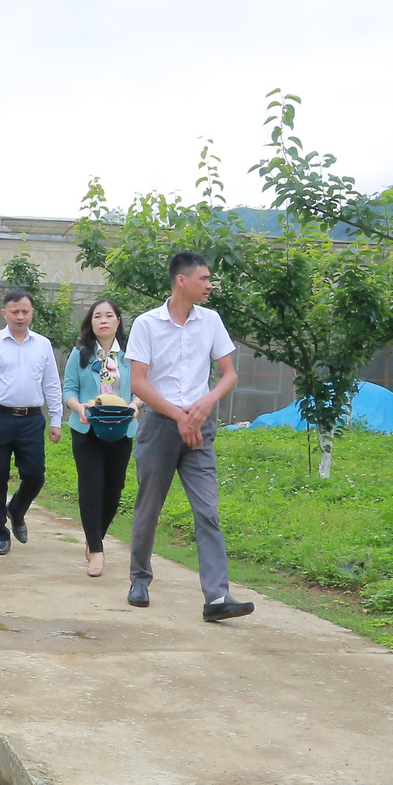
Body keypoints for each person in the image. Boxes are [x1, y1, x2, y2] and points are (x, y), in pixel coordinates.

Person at [125, 251, 253, 623]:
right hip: (160, 427)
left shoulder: (210, 321)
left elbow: (228, 374)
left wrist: (206, 403)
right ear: (182, 281)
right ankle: (139, 578)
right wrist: (179, 415)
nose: (210, 285)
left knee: (207, 511)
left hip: (200, 427)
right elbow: (138, 383)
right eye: (204, 279)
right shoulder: (147, 324)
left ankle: (217, 597)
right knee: (149, 506)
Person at [0, 289, 63, 556]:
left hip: (31, 420)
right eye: (15, 311)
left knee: (35, 475)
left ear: (32, 312)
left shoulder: (43, 344)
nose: (20, 316)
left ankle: (17, 509)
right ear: (5, 313)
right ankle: (0, 533)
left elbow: (51, 383)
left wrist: (56, 419)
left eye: (25, 311)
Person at [61, 298, 136, 578]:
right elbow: (68, 389)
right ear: (90, 323)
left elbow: (143, 387)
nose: (103, 320)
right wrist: (79, 407)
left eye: (109, 315)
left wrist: (136, 405)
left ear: (118, 321)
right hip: (87, 428)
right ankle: (97, 550)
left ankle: (95, 539)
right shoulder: (80, 353)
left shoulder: (130, 354)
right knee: (91, 486)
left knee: (114, 490)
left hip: (121, 428)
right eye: (97, 317)